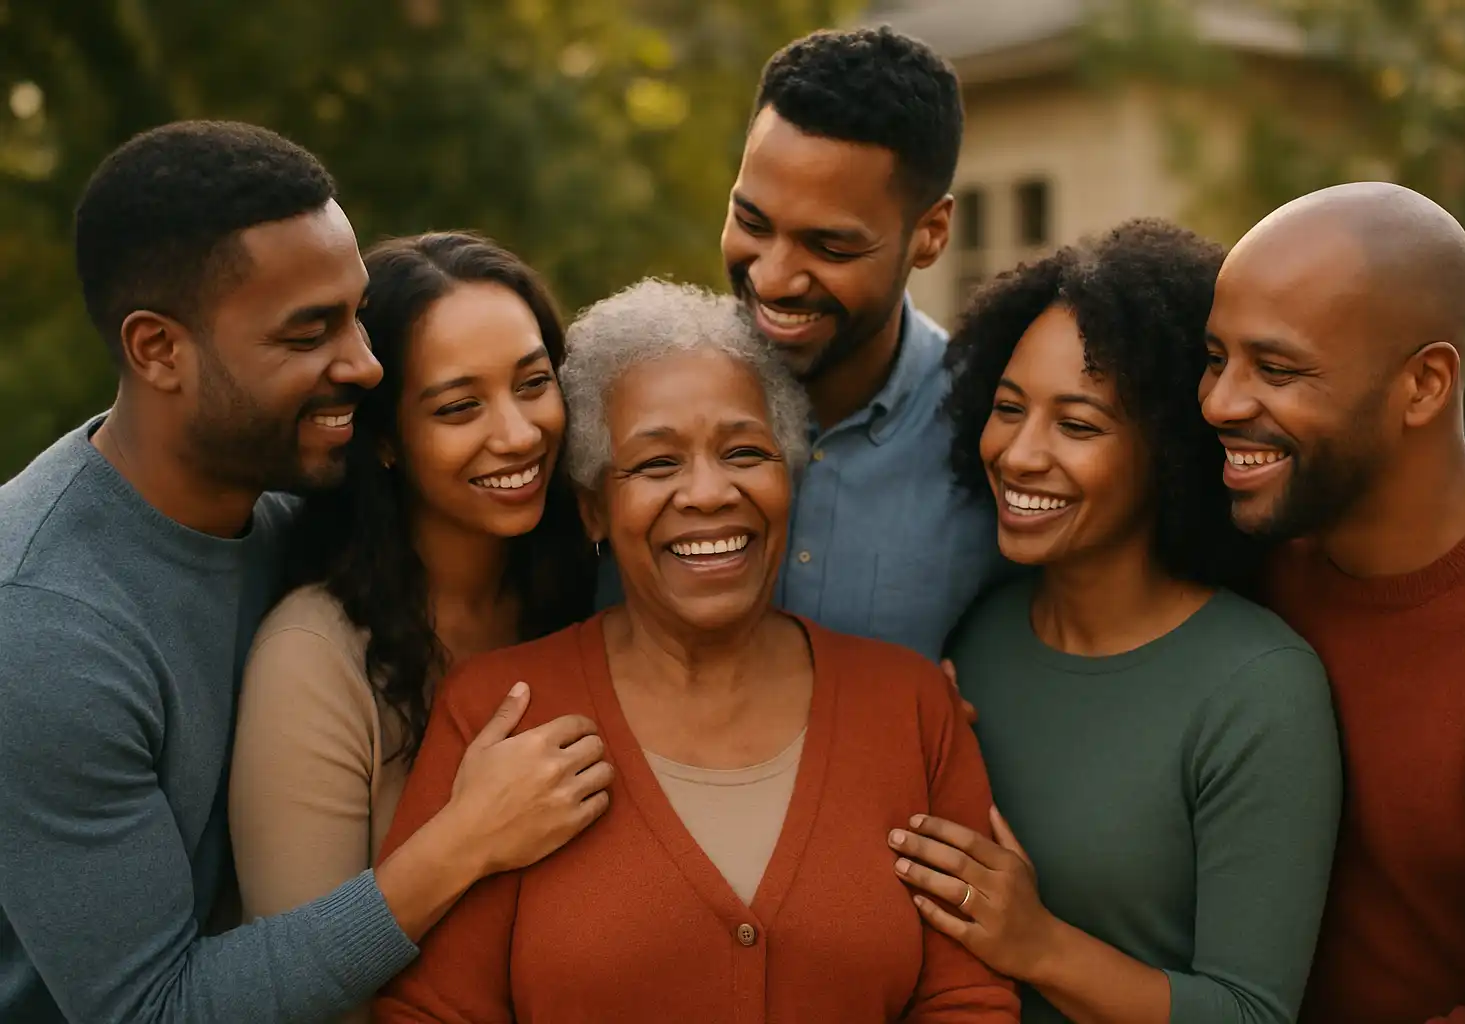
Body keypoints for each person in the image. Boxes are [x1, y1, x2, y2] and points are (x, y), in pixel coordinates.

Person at [0, 123, 608, 1024]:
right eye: (309, 332)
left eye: (357, 313)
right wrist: (462, 843)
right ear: (158, 350)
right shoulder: (43, 630)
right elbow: (153, 1012)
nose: (365, 364)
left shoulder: (294, 505)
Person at [371, 279, 1020, 1022]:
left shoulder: (911, 708)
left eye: (744, 451)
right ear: (593, 510)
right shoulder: (499, 713)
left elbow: (967, 999)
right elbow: (430, 1013)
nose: (709, 493)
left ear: (789, 477)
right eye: (656, 464)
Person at [886, 220, 1343, 1022]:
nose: (1021, 453)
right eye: (1008, 407)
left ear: (1168, 452)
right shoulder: (977, 636)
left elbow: (1254, 1013)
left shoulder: (1259, 689)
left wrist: (1040, 945)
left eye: (1078, 425)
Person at [227, 232, 610, 1022]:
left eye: (534, 383)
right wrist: (468, 836)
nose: (517, 433)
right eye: (459, 406)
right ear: (389, 442)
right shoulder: (313, 658)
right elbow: (299, 994)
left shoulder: (593, 592)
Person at [1202, 182, 1465, 1023]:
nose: (1220, 403)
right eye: (1216, 357)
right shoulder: (1240, 548)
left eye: (1276, 370)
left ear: (1423, 385)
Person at [596, 26, 1008, 662]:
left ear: (930, 235)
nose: (772, 277)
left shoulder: (993, 438)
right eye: (752, 223)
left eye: (830, 246)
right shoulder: (622, 394)